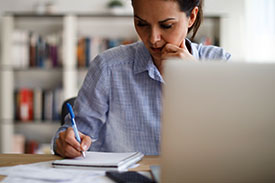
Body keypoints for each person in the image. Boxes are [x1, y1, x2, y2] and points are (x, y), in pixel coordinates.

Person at [52, 0, 231, 158]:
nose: (153, 39)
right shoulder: (108, 67)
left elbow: (234, 143)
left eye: (167, 25)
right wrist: (65, 143)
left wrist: (197, 79)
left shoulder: (220, 64)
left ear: (191, 17)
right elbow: (74, 133)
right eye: (141, 24)